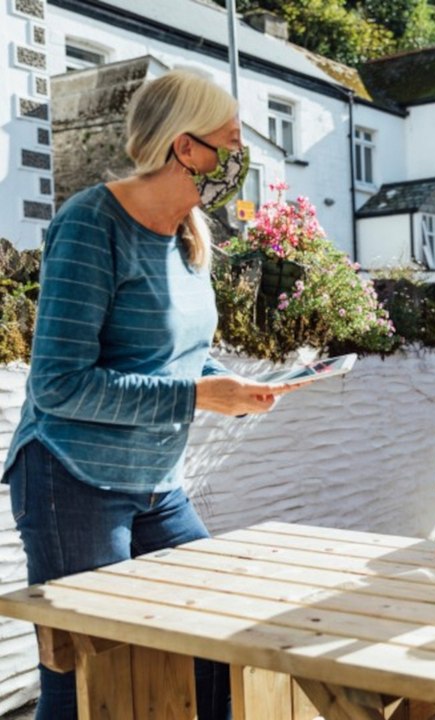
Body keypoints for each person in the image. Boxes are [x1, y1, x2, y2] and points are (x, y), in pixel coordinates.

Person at [1, 69, 304, 719]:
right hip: (72, 479)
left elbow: (179, 357)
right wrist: (196, 397)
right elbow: (57, 385)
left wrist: (240, 386)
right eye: (230, 141)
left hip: (157, 481)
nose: (241, 158)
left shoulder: (193, 236)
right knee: (89, 676)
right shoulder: (91, 224)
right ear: (185, 147)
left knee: (217, 641)